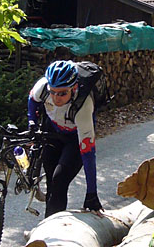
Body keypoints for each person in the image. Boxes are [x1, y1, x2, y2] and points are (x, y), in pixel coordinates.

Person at [27, 60, 103, 217]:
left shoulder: (83, 105)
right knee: (51, 181)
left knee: (59, 180)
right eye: (53, 92)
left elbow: (88, 153)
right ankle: (48, 229)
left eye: (62, 93)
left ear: (74, 88)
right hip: (52, 130)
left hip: (74, 139)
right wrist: (32, 122)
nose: (56, 98)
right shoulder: (43, 86)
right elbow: (32, 101)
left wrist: (91, 193)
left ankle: (51, 230)